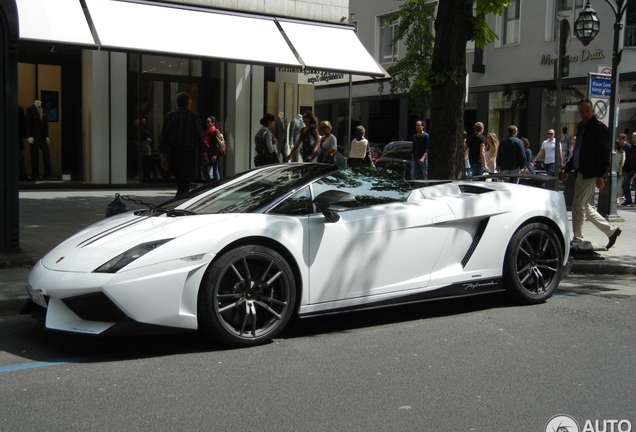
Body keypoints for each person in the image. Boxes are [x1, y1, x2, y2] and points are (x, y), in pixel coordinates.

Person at [562, 99, 621, 249]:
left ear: (592, 111)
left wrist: (600, 176)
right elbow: (578, 151)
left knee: (577, 206)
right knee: (584, 206)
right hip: (582, 171)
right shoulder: (582, 127)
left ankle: (578, 239)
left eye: (587, 111)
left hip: (590, 173)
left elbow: (603, 154)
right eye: (582, 112)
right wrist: (568, 168)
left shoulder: (599, 128)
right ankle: (611, 231)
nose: (584, 114)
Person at [159, 92, 207, 198]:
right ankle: (178, 201)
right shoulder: (193, 116)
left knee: (180, 180)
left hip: (174, 152)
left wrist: (163, 155)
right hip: (188, 152)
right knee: (186, 181)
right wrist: (203, 154)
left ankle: (179, 200)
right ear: (188, 103)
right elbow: (199, 137)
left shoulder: (170, 116)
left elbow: (164, 136)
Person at [25, 99, 52, 179]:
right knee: (34, 155)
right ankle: (35, 174)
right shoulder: (30, 109)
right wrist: (29, 135)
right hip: (34, 136)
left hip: (42, 136)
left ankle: (48, 174)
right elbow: (28, 123)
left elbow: (45, 123)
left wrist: (47, 136)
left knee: (47, 154)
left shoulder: (43, 110)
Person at [620, 132, 636, 206]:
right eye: (633, 138)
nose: (634, 139)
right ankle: (628, 199)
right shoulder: (631, 146)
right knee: (624, 184)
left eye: (635, 138)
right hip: (628, 169)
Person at [613, 134, 626, 203]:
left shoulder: (622, 152)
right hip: (611, 171)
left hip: (617, 171)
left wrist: (621, 172)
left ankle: (616, 197)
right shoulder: (613, 151)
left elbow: (622, 163)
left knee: (616, 186)